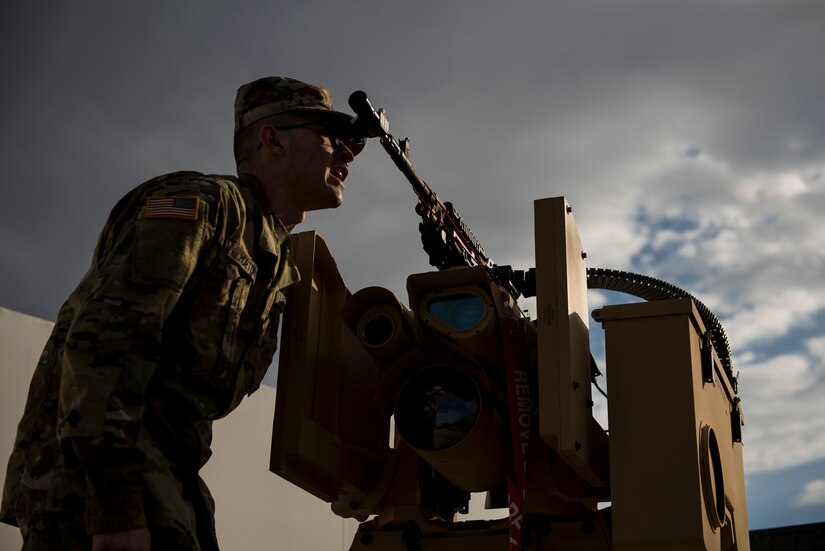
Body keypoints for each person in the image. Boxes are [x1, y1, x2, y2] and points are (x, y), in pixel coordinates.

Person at [1, 76, 366, 551]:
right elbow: (105, 344)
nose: (347, 153)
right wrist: (115, 508)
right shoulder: (203, 206)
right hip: (94, 489)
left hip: (169, 483)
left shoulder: (276, 262)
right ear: (271, 139)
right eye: (329, 136)